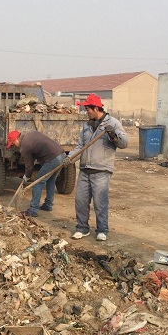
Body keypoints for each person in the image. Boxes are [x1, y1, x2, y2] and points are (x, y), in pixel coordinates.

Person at [65, 94, 128, 241]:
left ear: (96, 108)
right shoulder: (87, 125)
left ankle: (102, 230)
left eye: (87, 109)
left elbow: (124, 143)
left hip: (101, 170)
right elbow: (80, 146)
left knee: (100, 203)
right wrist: (70, 157)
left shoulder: (113, 123)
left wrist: (113, 135)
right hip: (85, 169)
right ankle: (82, 228)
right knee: (80, 201)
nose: (86, 111)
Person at [7, 130, 66, 217]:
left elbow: (29, 166)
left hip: (53, 159)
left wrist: (27, 176)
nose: (14, 146)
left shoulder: (24, 147)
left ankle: (33, 210)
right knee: (51, 180)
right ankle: (48, 205)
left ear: (16, 139)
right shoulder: (30, 134)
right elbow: (36, 153)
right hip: (61, 155)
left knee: (37, 183)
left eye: (13, 143)